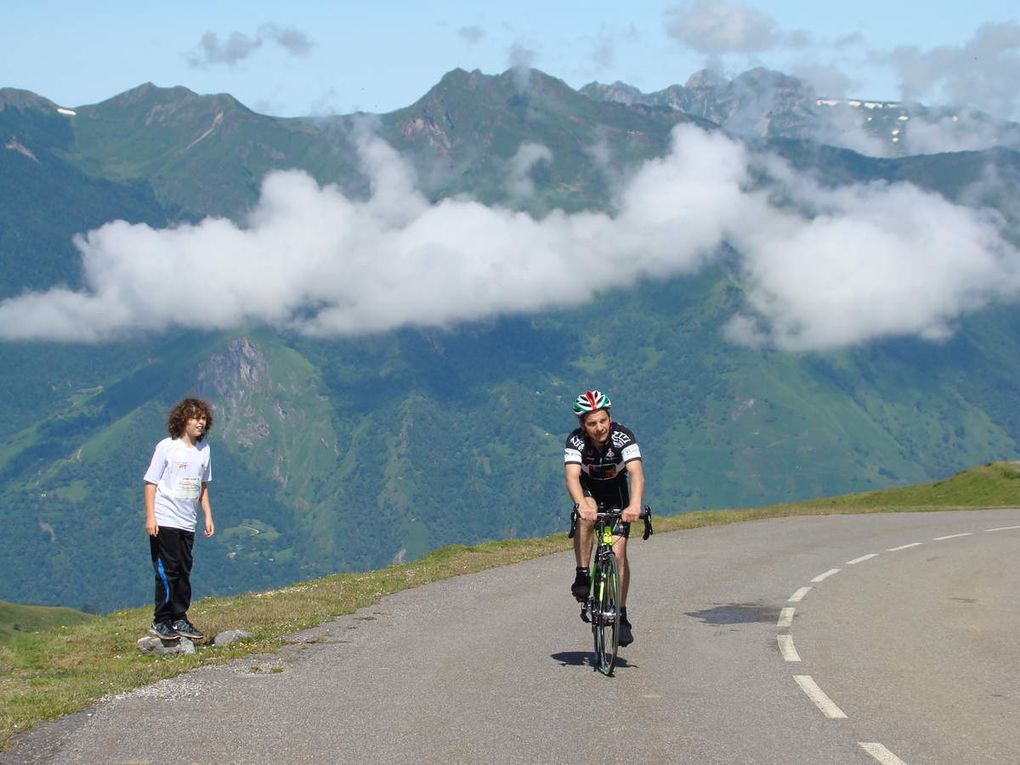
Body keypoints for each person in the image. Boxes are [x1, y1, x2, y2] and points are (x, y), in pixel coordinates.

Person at [563, 389, 644, 647]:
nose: (599, 428)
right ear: (582, 425)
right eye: (592, 423)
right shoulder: (575, 441)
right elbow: (572, 477)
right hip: (588, 489)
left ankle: (621, 614)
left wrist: (635, 505)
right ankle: (583, 573)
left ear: (610, 418)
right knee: (586, 514)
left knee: (619, 554)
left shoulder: (623, 437)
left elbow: (636, 474)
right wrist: (580, 505)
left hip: (615, 491)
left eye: (603, 421)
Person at [143, 398, 215, 641]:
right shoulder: (166, 447)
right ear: (183, 420)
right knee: (167, 571)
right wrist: (151, 517)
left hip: (187, 521)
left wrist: (207, 515)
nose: (201, 423)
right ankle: (160, 620)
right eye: (196, 418)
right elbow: (151, 483)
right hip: (165, 519)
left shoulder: (204, 450)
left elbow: (202, 485)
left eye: (204, 418)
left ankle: (179, 617)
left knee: (184, 570)